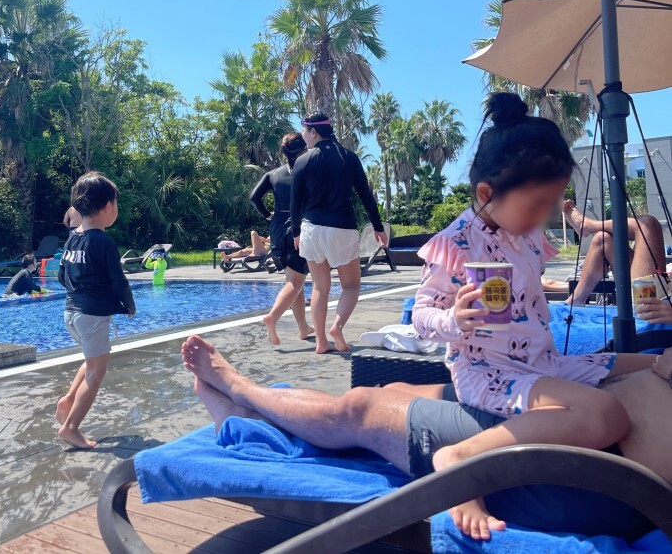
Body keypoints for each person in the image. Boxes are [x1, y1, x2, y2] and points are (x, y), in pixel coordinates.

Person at [411, 93, 656, 538]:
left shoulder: (522, 234)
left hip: (541, 362)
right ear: (486, 193)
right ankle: (459, 459)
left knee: (648, 362)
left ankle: (655, 364)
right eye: (536, 203)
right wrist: (454, 320)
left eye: (552, 202)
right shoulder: (456, 244)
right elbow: (421, 314)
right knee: (607, 414)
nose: (544, 215)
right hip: (489, 373)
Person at [181, 335, 672, 543]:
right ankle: (252, 414)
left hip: (585, 465)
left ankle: (241, 392)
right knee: (393, 389)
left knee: (362, 408)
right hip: (572, 412)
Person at [291, 113, 387, 354]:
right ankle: (337, 326)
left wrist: (295, 232)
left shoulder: (302, 161)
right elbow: (366, 195)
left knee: (319, 287)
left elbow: (295, 202)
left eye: (304, 131)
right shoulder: (349, 157)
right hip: (341, 228)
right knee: (351, 286)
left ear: (313, 132)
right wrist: (378, 227)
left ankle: (321, 342)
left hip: (311, 229)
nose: (303, 136)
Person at [55, 172, 136, 449]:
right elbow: (118, 279)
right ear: (108, 206)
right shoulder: (103, 242)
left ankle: (68, 400)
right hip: (91, 315)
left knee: (92, 361)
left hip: (71, 313)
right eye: (116, 203)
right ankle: (71, 428)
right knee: (96, 373)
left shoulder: (72, 240)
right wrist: (128, 304)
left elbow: (61, 276)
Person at [250, 132, 313, 345]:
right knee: (296, 281)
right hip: (298, 228)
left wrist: (269, 216)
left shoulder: (272, 174)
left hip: (277, 228)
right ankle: (272, 317)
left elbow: (254, 198)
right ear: (303, 150)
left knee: (294, 279)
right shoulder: (307, 172)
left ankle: (303, 328)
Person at [561, 201, 667, 305]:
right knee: (603, 239)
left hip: (647, 301)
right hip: (648, 293)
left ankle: (589, 226)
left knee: (648, 224)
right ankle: (576, 300)